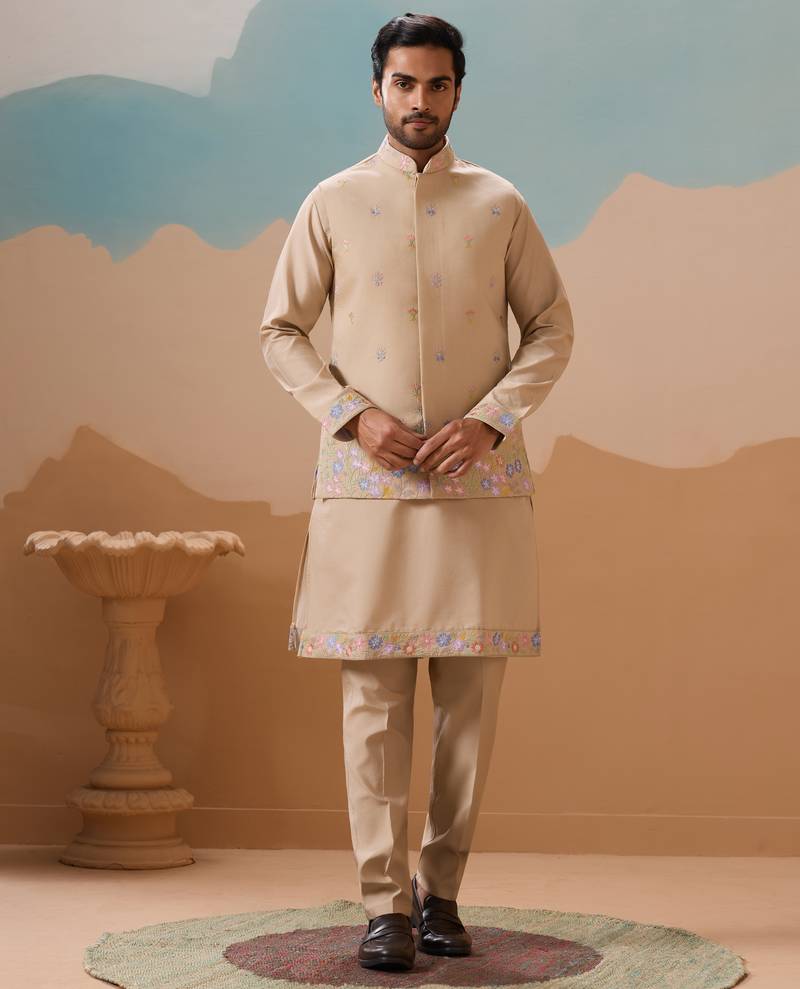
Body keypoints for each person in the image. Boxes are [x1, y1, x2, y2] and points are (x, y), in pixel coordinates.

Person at [259, 12, 574, 972]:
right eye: (404, 83)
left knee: (467, 709)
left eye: (437, 84)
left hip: (478, 487)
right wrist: (351, 415)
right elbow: (281, 331)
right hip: (369, 489)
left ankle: (442, 895)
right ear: (377, 89)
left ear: (458, 91)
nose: (420, 101)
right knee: (373, 705)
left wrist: (490, 421)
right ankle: (382, 906)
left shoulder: (499, 203)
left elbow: (551, 327)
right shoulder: (333, 202)